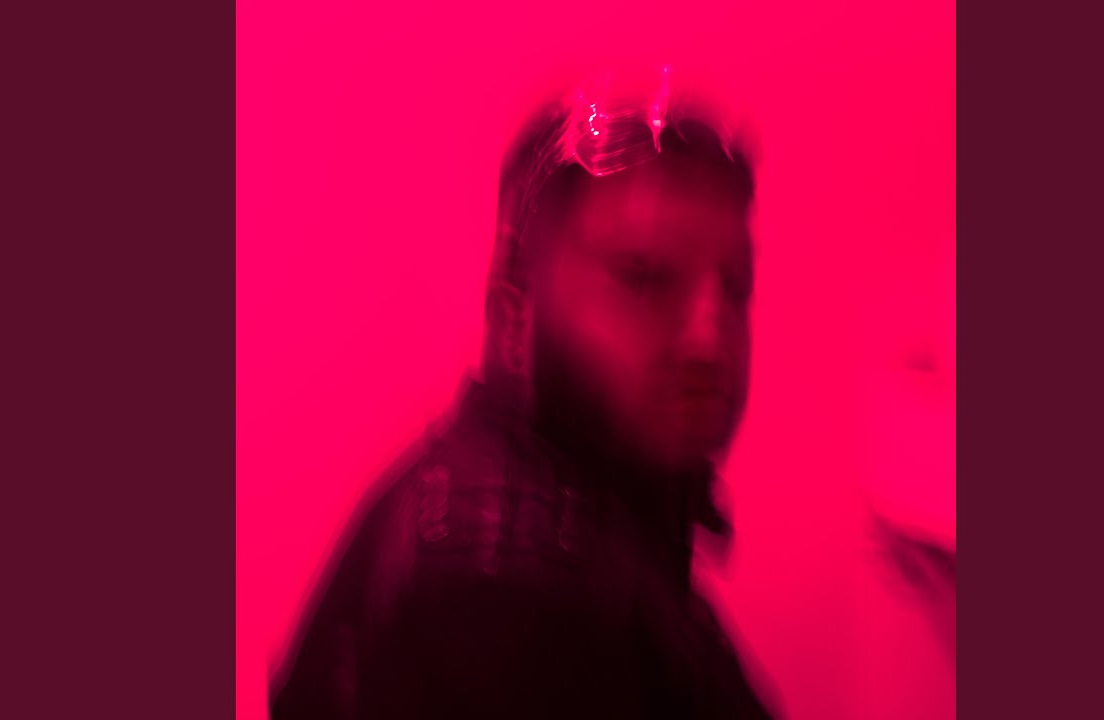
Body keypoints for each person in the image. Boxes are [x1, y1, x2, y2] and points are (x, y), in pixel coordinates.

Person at [269, 69, 773, 719]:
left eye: (733, 284)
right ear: (513, 309)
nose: (710, 335)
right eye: (645, 278)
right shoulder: (508, 595)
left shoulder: (590, 523)